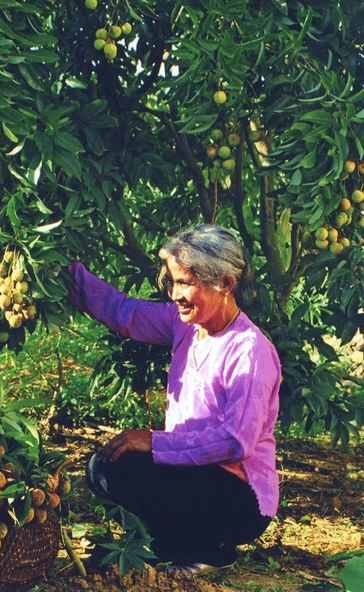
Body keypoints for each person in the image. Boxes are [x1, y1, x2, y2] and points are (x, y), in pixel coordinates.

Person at [68, 224, 280, 575]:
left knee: (135, 467)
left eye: (185, 282)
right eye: (172, 282)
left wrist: (154, 443)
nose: (175, 294)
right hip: (192, 475)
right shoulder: (186, 324)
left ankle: (210, 549)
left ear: (225, 284)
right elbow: (125, 313)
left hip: (240, 497)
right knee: (106, 467)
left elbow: (235, 442)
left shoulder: (249, 351)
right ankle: (175, 544)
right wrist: (67, 273)